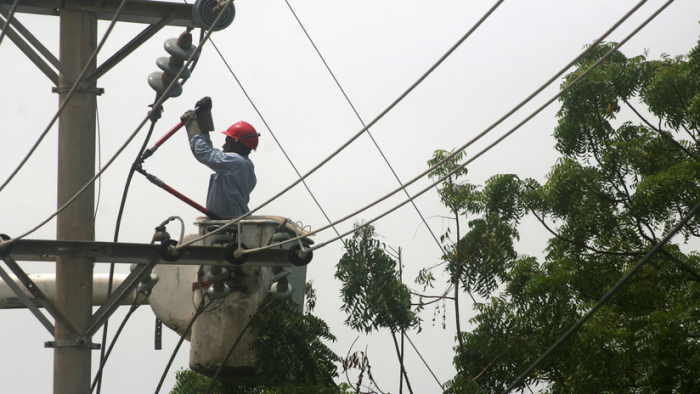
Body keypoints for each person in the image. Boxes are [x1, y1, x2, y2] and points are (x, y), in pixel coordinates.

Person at [181, 97, 259, 218]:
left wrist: (191, 124)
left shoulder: (236, 161)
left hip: (230, 226)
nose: (223, 145)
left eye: (228, 142)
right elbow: (209, 152)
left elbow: (204, 153)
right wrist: (203, 118)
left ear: (238, 147)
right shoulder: (241, 165)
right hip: (225, 225)